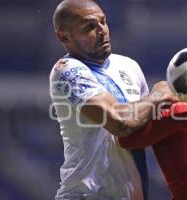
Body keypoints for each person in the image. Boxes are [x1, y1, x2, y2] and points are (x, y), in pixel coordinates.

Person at [50, 0, 180, 199]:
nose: (102, 31)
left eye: (103, 22)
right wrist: (158, 95)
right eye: (90, 27)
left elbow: (148, 125)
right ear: (64, 36)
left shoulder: (129, 66)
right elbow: (120, 123)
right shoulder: (67, 70)